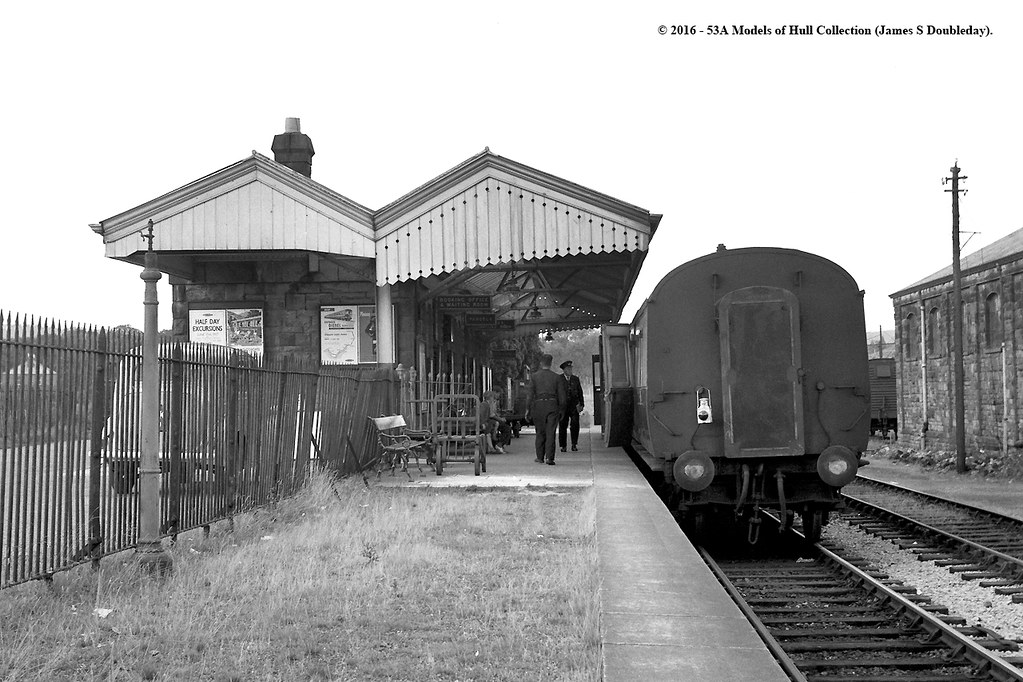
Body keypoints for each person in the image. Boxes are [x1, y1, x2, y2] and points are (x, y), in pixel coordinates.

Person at [526, 354, 566, 465]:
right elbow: (562, 397)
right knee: (551, 432)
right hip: (552, 406)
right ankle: (550, 458)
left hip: (538, 406)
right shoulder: (557, 377)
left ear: (541, 363)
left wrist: (527, 409)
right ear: (551, 363)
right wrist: (562, 409)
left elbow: (530, 395)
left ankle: (540, 457)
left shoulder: (534, 377)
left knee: (540, 432)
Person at [558, 360, 585, 452]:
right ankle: (563, 445)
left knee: (575, 425)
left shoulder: (575, 379)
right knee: (562, 426)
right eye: (568, 369)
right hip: (563, 406)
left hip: (574, 406)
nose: (570, 370)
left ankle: (574, 444)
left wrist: (581, 404)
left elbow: (580, 392)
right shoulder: (559, 379)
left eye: (571, 368)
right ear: (564, 370)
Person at [479, 390, 507, 454]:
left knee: (493, 426)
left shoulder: (486, 404)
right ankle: (491, 446)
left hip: (485, 422)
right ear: (490, 397)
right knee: (489, 431)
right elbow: (482, 415)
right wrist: (482, 423)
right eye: (492, 397)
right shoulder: (484, 405)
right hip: (483, 423)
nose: (493, 398)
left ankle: (491, 446)